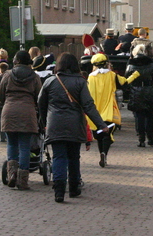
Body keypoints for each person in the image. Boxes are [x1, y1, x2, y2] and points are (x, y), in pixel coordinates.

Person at [38, 53, 109, 203]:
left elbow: (40, 103)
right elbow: (88, 106)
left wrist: (45, 121)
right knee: (73, 157)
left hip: (54, 124)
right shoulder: (80, 82)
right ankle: (74, 187)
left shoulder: (50, 81)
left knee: (58, 157)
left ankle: (59, 190)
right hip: (75, 125)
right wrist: (101, 124)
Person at [0, 50, 42, 190]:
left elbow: (0, 94)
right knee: (24, 147)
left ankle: (12, 175)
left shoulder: (8, 75)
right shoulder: (34, 77)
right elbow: (39, 97)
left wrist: (8, 102)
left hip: (9, 111)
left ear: (15, 61)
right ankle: (23, 181)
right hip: (27, 112)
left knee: (11, 144)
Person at [86, 54, 138, 168]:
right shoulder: (112, 75)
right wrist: (135, 75)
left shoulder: (90, 77)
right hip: (109, 110)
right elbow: (124, 82)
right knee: (108, 134)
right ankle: (104, 153)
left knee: (99, 135)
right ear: (106, 63)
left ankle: (101, 153)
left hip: (95, 112)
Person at [125, 44, 153, 147]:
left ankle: (141, 139)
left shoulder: (131, 65)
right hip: (149, 92)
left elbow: (126, 81)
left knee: (139, 116)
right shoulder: (151, 65)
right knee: (149, 116)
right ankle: (151, 138)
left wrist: (127, 92)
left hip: (136, 92)